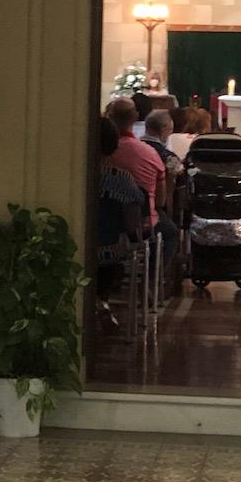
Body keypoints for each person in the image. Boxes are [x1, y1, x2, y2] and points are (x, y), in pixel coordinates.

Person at [105, 97, 178, 267]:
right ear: (135, 116)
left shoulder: (101, 153)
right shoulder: (150, 154)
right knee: (171, 233)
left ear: (110, 117)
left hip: (102, 223)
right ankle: (153, 278)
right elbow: (160, 201)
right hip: (139, 226)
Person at [94, 116, 147, 330]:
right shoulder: (122, 179)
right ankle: (101, 300)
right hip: (108, 249)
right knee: (118, 249)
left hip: (74, 245)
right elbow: (131, 223)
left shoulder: (71, 175)